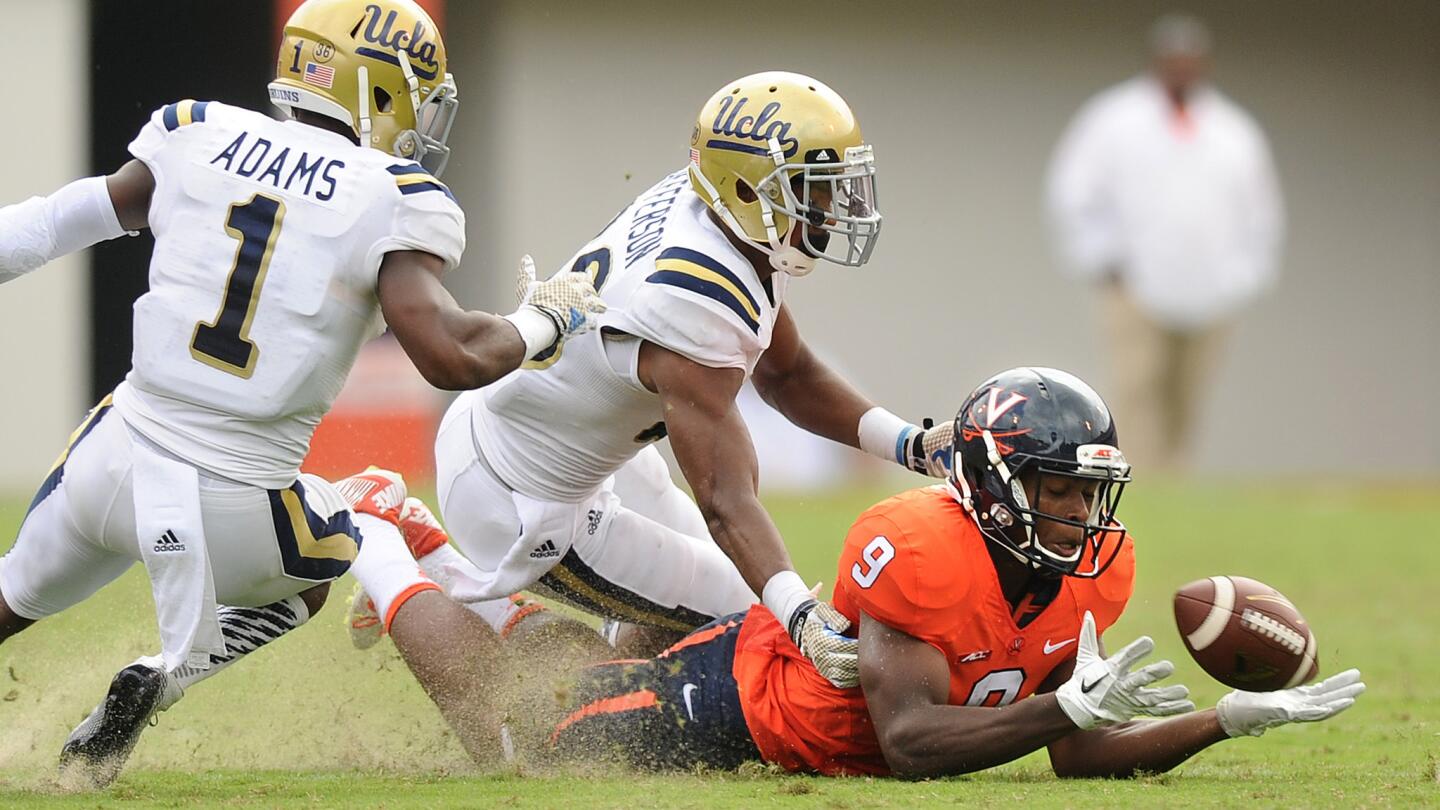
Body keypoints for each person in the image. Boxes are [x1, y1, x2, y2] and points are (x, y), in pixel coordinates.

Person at [0, 0, 602, 787]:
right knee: (343, 543)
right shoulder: (392, 192)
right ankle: (168, 672)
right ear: (378, 94)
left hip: (110, 462)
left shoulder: (197, 130)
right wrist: (542, 322)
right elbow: (450, 356)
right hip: (235, 505)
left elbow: (49, 223)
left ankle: (150, 661)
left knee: (10, 597)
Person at [345, 366, 1364, 775]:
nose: (1077, 513)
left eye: (1087, 491)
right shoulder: (917, 547)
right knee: (523, 739)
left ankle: (430, 548)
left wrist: (1221, 723)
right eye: (1055, 488)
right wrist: (1072, 711)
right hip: (730, 707)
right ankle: (379, 537)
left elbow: (1075, 753)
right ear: (996, 482)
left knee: (569, 679)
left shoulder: (1099, 569)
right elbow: (913, 739)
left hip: (761, 679)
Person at [346, 71, 950, 682]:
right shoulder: (695, 297)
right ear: (746, 190)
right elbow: (725, 498)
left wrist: (911, 445)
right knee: (742, 623)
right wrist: (801, 618)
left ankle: (446, 571)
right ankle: (401, 557)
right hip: (519, 495)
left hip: (569, 444)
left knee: (688, 618)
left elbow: (788, 374)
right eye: (809, 191)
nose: (829, 209)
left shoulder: (722, 217)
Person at [1045, 14, 1285, 472]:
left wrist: (1243, 277)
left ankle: (1174, 483)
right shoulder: (1113, 120)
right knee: (1136, 392)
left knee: (1186, 398)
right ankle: (1136, 482)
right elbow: (1072, 191)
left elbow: (1261, 212)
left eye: (1190, 60)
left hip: (1212, 294)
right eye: (1174, 59)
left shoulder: (1234, 132)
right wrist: (1103, 260)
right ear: (1158, 62)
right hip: (1136, 288)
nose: (1182, 68)